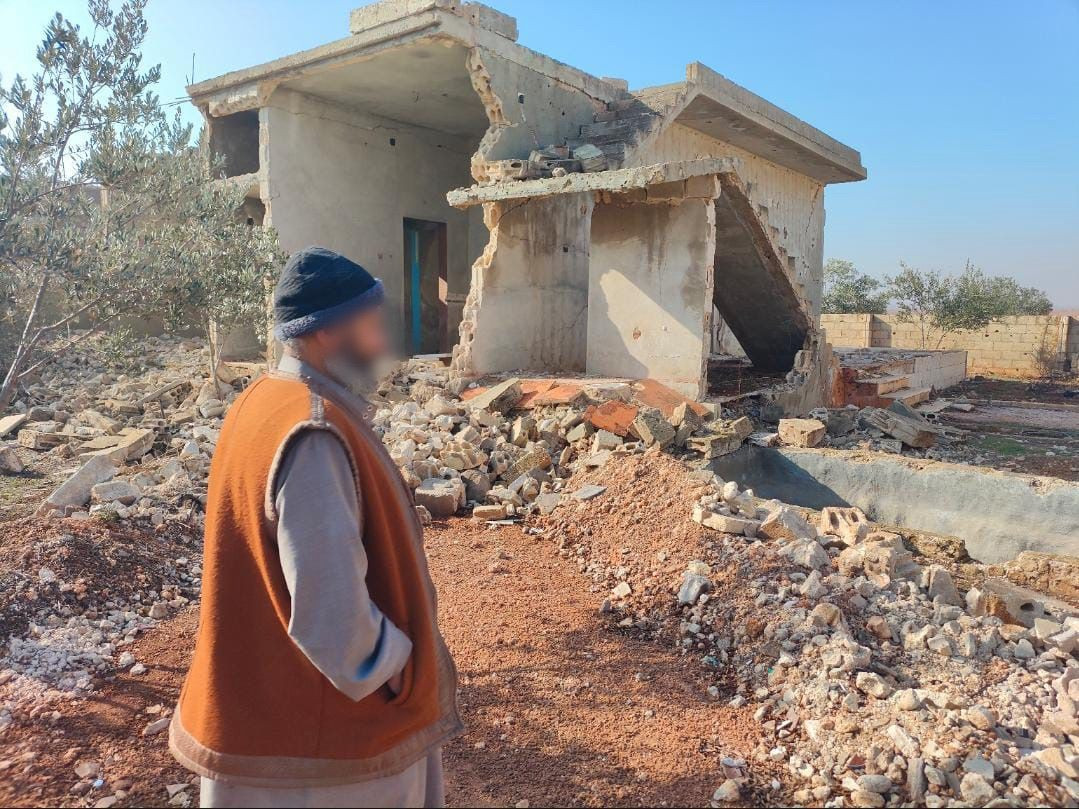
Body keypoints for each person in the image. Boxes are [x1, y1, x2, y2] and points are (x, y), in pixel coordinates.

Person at [169, 246, 460, 808]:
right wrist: (399, 671)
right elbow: (333, 618)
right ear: (328, 331)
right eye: (372, 324)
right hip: (326, 757)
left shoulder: (259, 402)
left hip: (271, 722)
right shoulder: (314, 434)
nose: (382, 342)